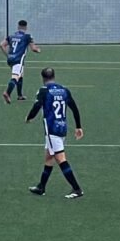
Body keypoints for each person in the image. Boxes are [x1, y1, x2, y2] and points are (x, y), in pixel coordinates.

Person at [25, 67, 84, 199]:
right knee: (49, 157)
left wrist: (29, 117)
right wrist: (78, 126)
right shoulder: (64, 90)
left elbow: (36, 106)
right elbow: (74, 108)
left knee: (60, 158)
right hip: (62, 127)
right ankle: (41, 187)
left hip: (52, 129)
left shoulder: (44, 91)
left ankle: (77, 188)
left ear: (43, 78)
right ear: (54, 76)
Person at [0, 19, 41, 104]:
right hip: (18, 60)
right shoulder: (27, 37)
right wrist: (38, 50)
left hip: (10, 59)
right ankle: (7, 93)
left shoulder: (11, 36)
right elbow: (33, 49)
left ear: (18, 26)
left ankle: (20, 95)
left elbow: (2, 45)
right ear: (26, 27)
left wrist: (8, 55)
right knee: (15, 77)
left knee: (20, 75)